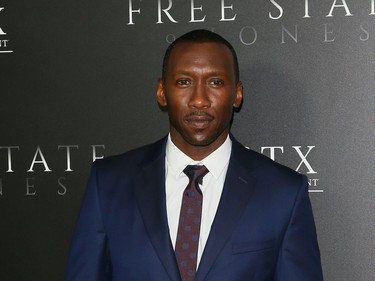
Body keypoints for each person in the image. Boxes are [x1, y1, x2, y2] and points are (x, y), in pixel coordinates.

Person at [66, 29, 323, 281]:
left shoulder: (283, 193)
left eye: (215, 82)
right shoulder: (109, 183)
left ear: (237, 93)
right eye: (184, 82)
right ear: (161, 92)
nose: (199, 100)